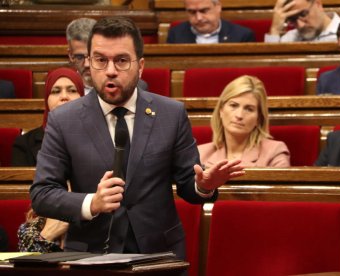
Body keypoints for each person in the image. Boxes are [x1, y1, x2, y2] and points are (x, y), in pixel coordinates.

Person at [30, 16, 244, 262]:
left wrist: (204, 186)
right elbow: (42, 194)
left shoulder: (171, 114)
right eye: (100, 60)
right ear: (88, 63)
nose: (110, 70)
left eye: (121, 60)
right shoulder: (64, 120)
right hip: (87, 258)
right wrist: (93, 202)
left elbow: (188, 184)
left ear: (140, 66)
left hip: (159, 257)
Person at [198, 75, 290, 168]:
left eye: (249, 109)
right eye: (233, 105)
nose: (239, 115)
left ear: (259, 118)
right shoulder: (200, 154)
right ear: (221, 110)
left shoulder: (274, 152)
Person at [11, 67, 84, 166]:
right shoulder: (25, 144)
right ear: (46, 100)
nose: (64, 97)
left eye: (72, 90)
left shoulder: (98, 138)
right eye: (55, 91)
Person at [66, 17, 148, 93]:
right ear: (70, 55)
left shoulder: (137, 87)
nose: (87, 64)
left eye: (100, 59)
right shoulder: (62, 87)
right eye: (79, 57)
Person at [167, 0, 255, 44]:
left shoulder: (242, 35)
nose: (199, 18)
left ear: (218, 7)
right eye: (192, 12)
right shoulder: (175, 34)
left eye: (204, 10)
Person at [265, 0, 340, 43]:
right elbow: (270, 65)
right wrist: (275, 29)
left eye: (303, 14)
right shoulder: (290, 38)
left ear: (318, 4)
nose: (300, 25)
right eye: (292, 19)